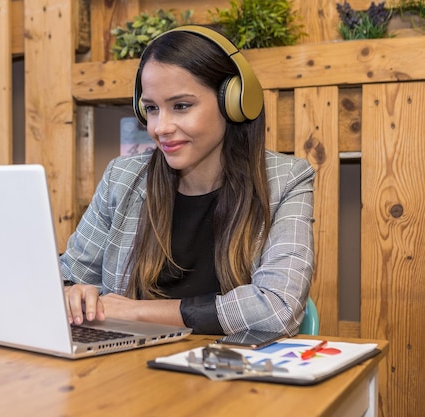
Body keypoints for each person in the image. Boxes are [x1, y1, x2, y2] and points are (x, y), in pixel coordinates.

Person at [60, 25, 315, 336]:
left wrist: (137, 311)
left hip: (231, 375)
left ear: (232, 102)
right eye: (152, 109)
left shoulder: (286, 179)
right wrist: (71, 293)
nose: (160, 127)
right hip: (127, 372)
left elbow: (278, 308)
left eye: (181, 106)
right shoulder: (121, 178)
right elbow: (69, 277)